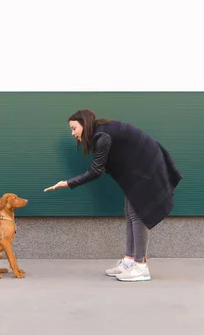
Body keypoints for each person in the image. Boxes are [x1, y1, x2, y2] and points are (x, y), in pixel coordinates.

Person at [44, 109, 183, 282]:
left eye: (74, 128)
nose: (73, 133)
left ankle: (141, 266)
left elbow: (95, 171)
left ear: (84, 124)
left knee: (139, 214)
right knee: (130, 213)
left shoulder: (102, 136)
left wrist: (67, 183)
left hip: (146, 167)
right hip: (137, 167)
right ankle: (129, 261)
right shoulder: (101, 132)